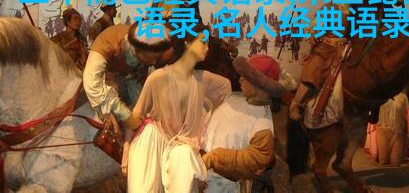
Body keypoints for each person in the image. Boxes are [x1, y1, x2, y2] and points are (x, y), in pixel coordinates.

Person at [122, 24, 232, 192]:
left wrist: (205, 121)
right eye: (203, 42)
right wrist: (126, 150)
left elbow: (226, 89)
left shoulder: (204, 79)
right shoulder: (158, 77)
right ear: (187, 43)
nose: (207, 48)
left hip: (180, 148)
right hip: (151, 144)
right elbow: (137, 114)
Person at [203, 55, 288, 192]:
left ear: (260, 85)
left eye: (247, 77)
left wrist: (215, 158)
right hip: (204, 173)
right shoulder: (233, 98)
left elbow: (257, 158)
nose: (240, 79)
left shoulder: (262, 122)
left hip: (223, 185)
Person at [83, 22, 178, 130]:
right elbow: (91, 84)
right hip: (110, 85)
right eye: (154, 58)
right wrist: (126, 116)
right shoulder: (108, 42)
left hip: (132, 83)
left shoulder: (150, 46)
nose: (154, 63)